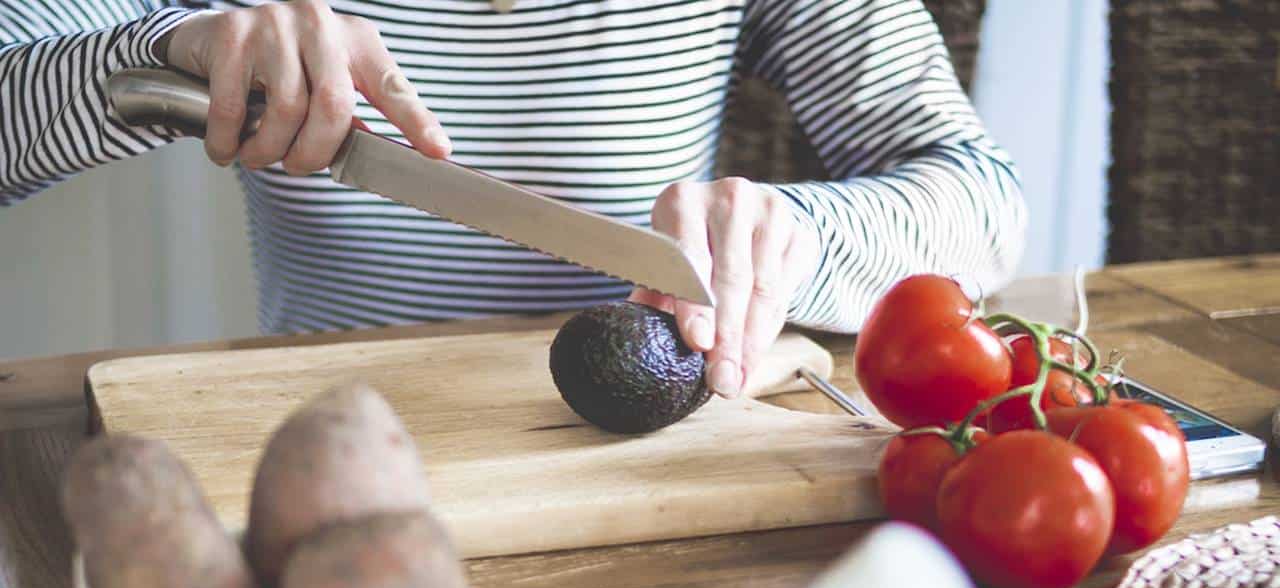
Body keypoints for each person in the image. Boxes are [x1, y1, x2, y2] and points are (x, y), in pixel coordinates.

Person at [0, 0, 1025, 399]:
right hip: (309, 465)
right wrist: (158, 56)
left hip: (636, 484)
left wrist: (800, 234)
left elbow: (982, 202)